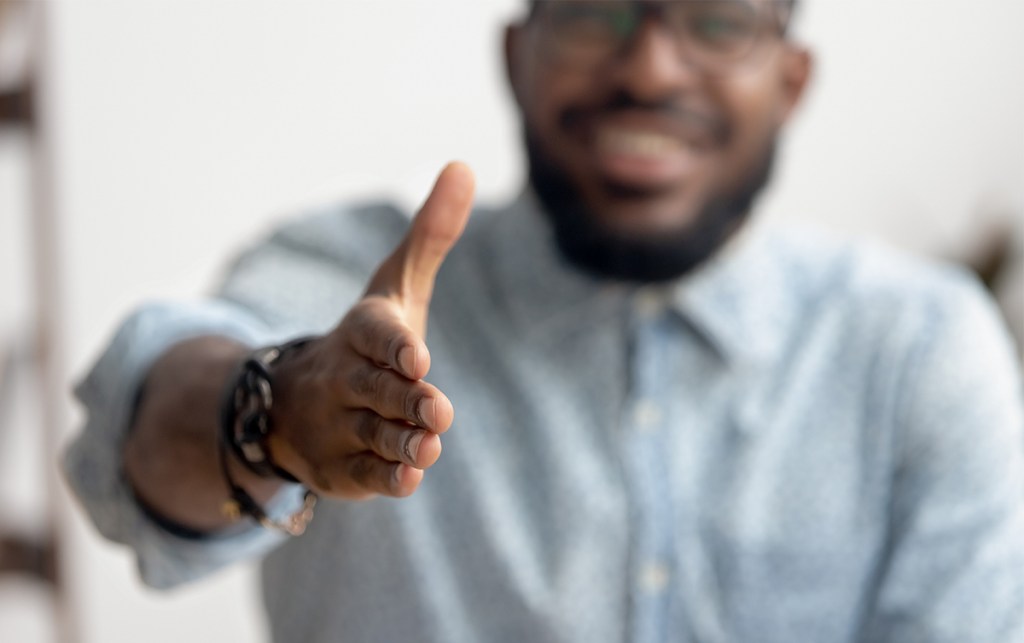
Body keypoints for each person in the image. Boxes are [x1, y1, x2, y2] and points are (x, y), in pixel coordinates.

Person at [65, 1, 1024, 641]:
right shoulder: (341, 278)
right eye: (593, 9)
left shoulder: (921, 349)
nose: (649, 68)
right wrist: (272, 410)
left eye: (720, 19)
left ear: (792, 79)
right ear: (517, 56)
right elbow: (139, 435)